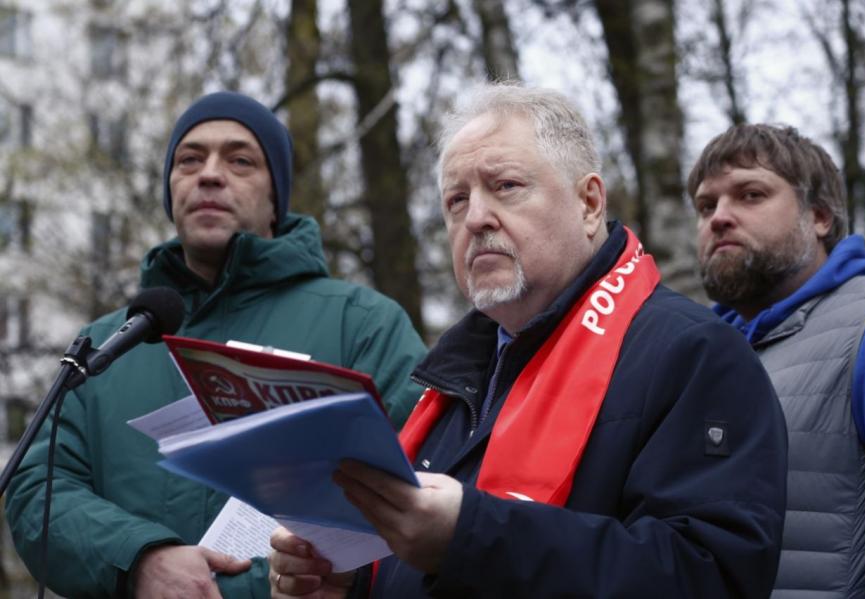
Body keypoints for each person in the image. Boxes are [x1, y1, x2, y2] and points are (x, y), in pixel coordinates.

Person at [268, 83, 788, 598]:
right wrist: (349, 583)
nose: (475, 218)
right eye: (457, 200)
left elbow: (710, 577)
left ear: (589, 204)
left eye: (506, 186)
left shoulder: (695, 353)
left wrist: (472, 536)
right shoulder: (452, 380)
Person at [5, 92, 427, 598]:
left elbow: (421, 490)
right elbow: (38, 492)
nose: (209, 174)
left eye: (240, 160)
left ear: (277, 197)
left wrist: (240, 589)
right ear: (170, 190)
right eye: (189, 159)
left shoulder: (363, 325)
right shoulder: (104, 347)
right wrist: (140, 561)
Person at [688, 123, 865, 598]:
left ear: (819, 216)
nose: (719, 218)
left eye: (751, 195)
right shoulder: (697, 355)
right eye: (706, 205)